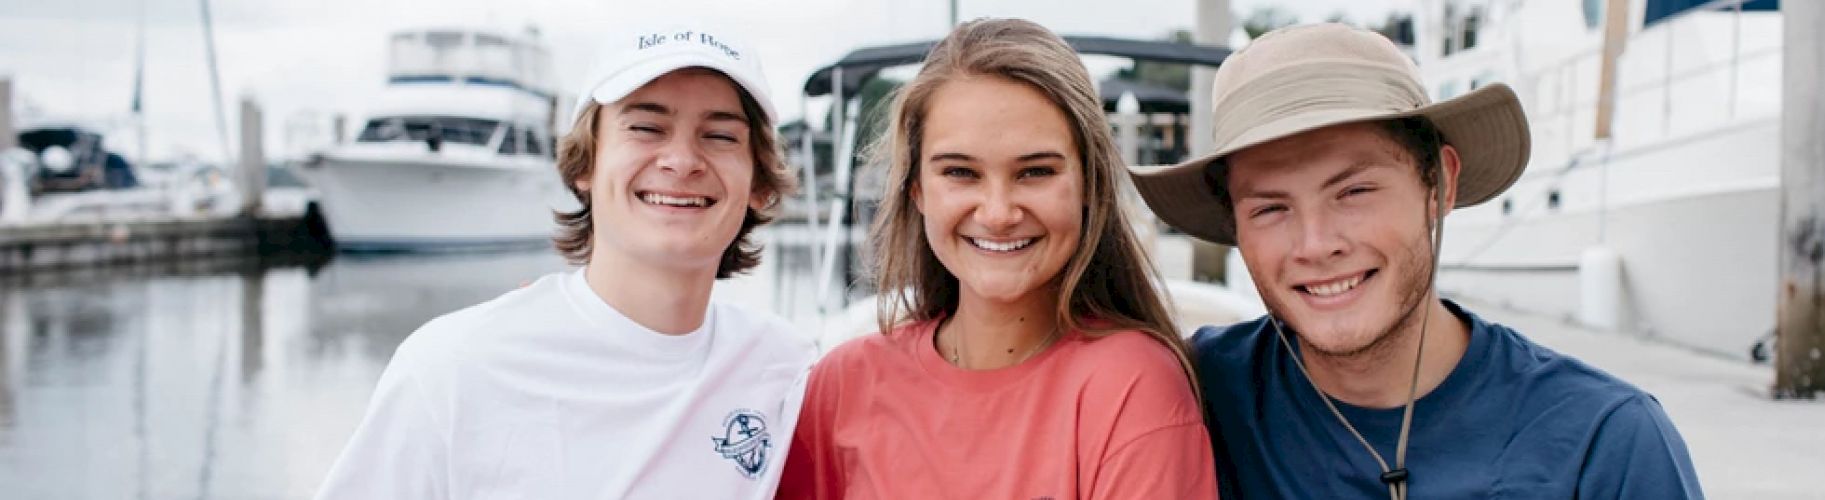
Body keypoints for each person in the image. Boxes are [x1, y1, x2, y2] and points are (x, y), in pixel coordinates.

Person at [1127, 23, 1704, 499]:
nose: (1315, 244)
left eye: (1354, 192)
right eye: (1271, 209)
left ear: (1440, 185)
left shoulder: (1604, 443)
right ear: (1235, 225)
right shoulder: (1186, 396)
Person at [315, 22, 810, 499]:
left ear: (759, 184)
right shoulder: (452, 368)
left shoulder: (785, 367)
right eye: (645, 127)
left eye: (720, 136)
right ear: (585, 166)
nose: (681, 160)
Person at [777, 18, 1216, 500]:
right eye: (961, 172)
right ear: (917, 188)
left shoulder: (1132, 387)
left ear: (1088, 184)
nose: (999, 213)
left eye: (1034, 172)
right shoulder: (842, 385)